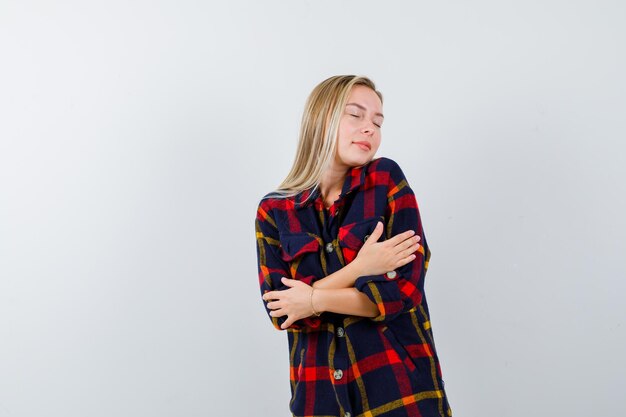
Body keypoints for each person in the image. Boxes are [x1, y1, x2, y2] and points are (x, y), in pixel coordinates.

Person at [254, 75, 452, 417]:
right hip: (319, 401)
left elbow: (401, 292)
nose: (370, 129)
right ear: (322, 119)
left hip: (401, 397)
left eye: (377, 121)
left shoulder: (386, 181)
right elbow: (284, 312)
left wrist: (312, 299)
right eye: (356, 115)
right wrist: (360, 269)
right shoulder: (274, 212)